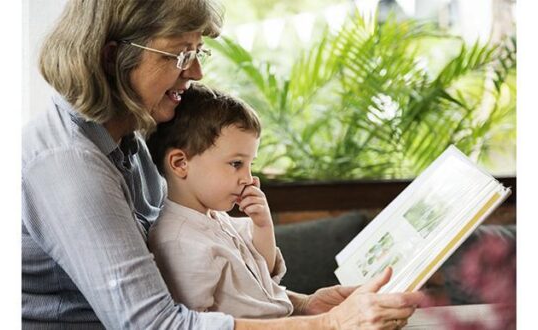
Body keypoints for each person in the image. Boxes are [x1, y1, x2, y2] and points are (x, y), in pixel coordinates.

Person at [22, 0, 423, 328]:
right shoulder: (70, 165)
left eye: (197, 53)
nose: (195, 72)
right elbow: (155, 325)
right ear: (113, 57)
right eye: (180, 54)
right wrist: (332, 325)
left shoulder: (129, 139)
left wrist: (304, 305)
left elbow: (176, 289)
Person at [145, 83, 290, 318]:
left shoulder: (217, 218)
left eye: (249, 165)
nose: (248, 178)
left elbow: (263, 275)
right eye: (236, 164)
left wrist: (263, 225)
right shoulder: (180, 242)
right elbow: (192, 323)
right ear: (180, 164)